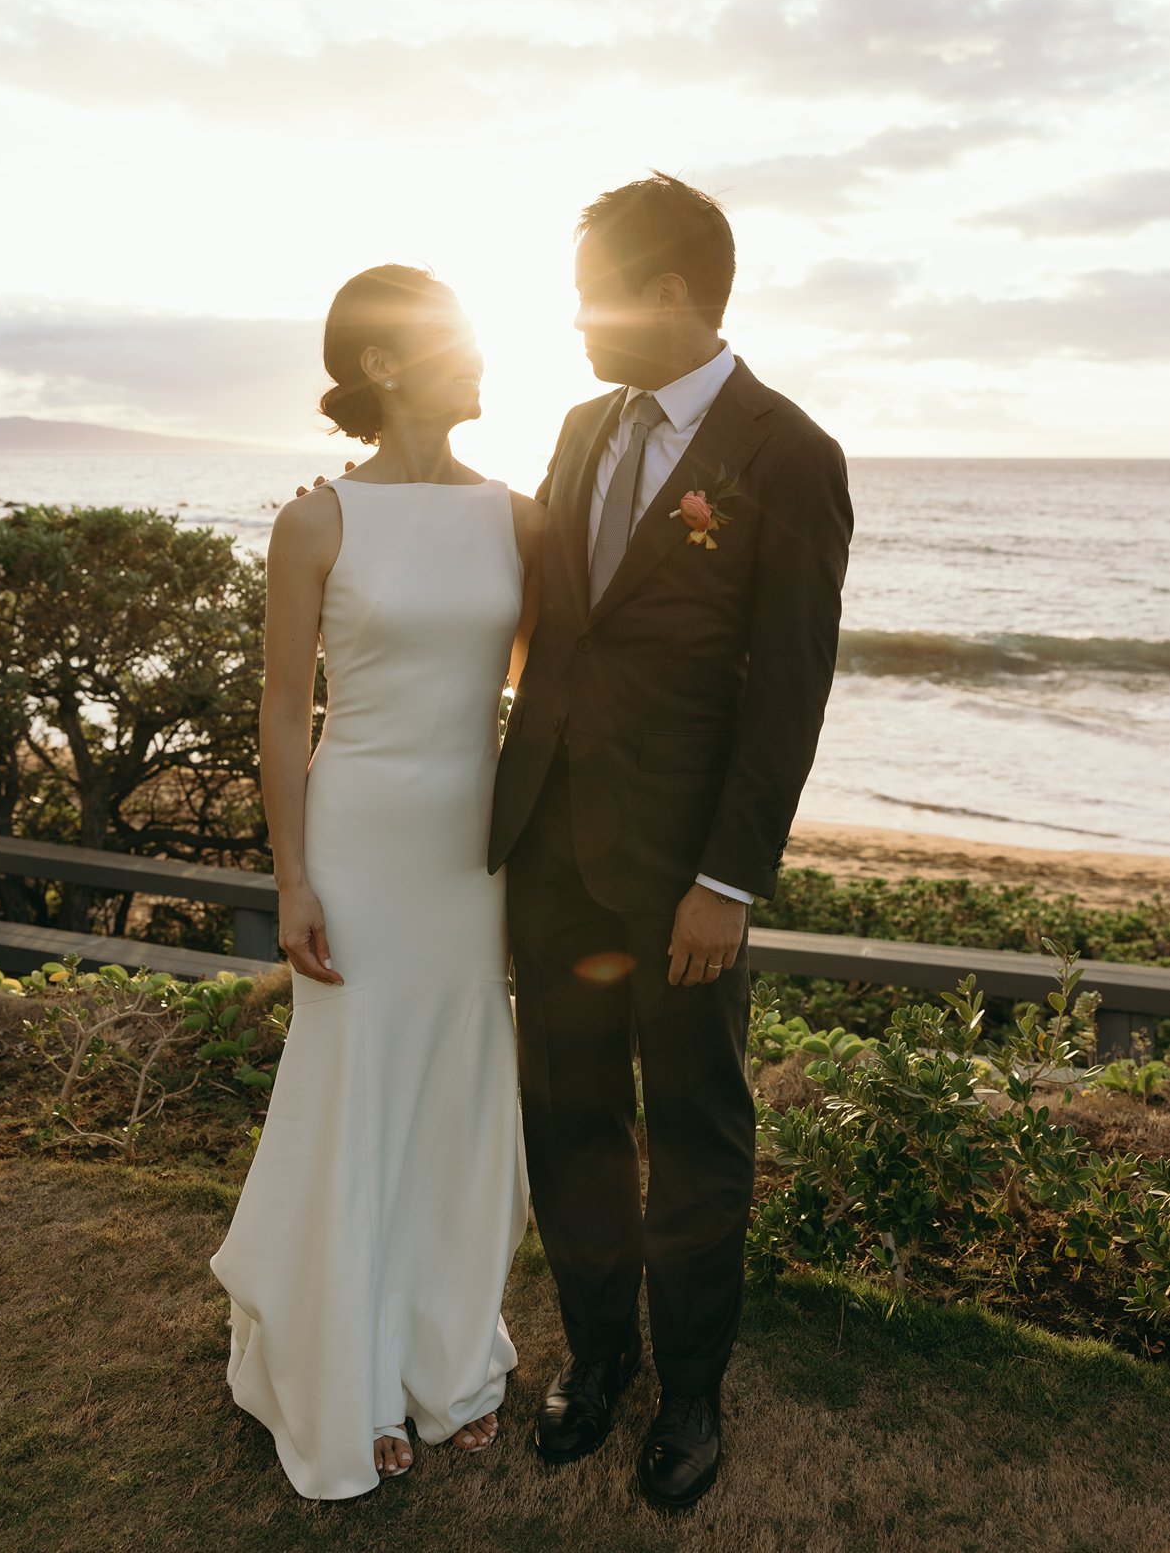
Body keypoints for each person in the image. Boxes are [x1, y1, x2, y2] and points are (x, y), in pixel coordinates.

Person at [489, 173, 854, 1509]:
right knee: (567, 1117)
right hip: (552, 851)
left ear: (671, 294)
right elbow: (538, 593)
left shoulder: (788, 453)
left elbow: (786, 690)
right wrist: (375, 508)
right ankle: (595, 1362)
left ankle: (691, 1394)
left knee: (697, 1134)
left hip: (682, 877)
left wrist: (727, 883)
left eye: (591, 288)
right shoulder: (580, 427)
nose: (573, 318)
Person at [210, 264, 544, 1499]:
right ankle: (343, 1371)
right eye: (450, 339)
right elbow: (285, 712)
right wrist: (291, 878)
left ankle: (442, 1352)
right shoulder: (316, 523)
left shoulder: (519, 516)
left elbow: (543, 685)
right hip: (358, 842)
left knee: (454, 1091)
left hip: (472, 853)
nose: (476, 356)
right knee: (355, 1087)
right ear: (385, 364)